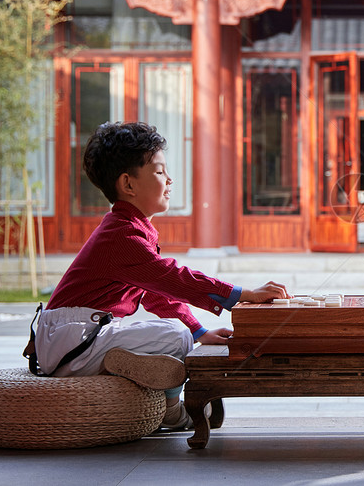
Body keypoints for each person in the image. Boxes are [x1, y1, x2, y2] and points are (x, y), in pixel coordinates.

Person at [33, 121, 290, 430]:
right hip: (73, 343)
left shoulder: (128, 229)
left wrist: (199, 332)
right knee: (174, 337)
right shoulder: (122, 237)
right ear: (128, 185)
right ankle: (170, 407)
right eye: (159, 171)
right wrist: (240, 294)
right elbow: (174, 277)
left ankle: (128, 366)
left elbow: (156, 293)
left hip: (72, 340)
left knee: (179, 335)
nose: (170, 179)